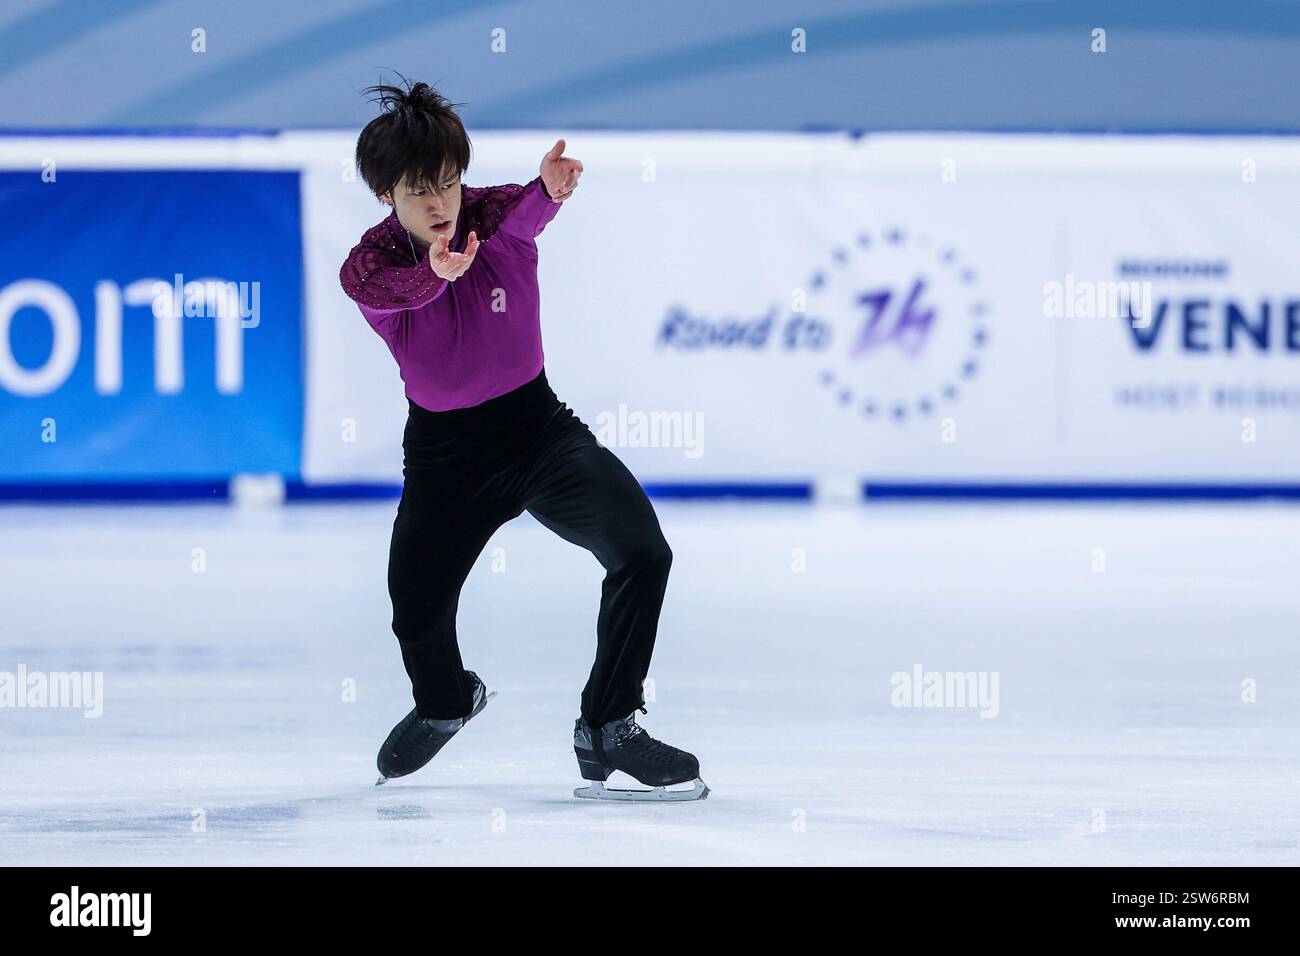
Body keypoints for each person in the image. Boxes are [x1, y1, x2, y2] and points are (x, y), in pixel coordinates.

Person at [338, 80, 707, 800]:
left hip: (538, 433)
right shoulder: (370, 266)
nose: (441, 203)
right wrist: (433, 278)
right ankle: (446, 702)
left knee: (642, 552)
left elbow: (528, 209)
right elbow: (390, 294)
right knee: (414, 608)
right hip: (448, 458)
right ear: (386, 195)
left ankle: (608, 726)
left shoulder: (491, 216)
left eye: (448, 181)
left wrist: (549, 187)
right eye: (420, 192)